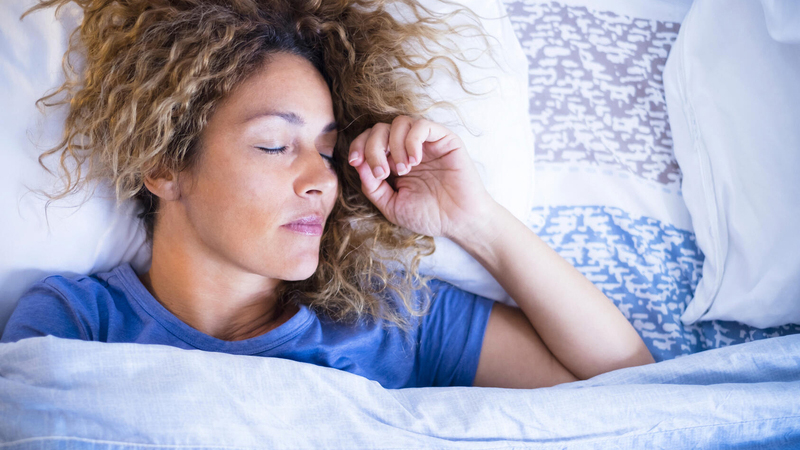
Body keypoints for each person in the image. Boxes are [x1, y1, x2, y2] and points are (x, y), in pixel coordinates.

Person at [1, 0, 655, 388]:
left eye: (326, 148)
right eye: (274, 144)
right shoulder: (75, 324)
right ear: (167, 166)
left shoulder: (380, 321)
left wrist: (474, 220)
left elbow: (629, 382)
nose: (321, 179)